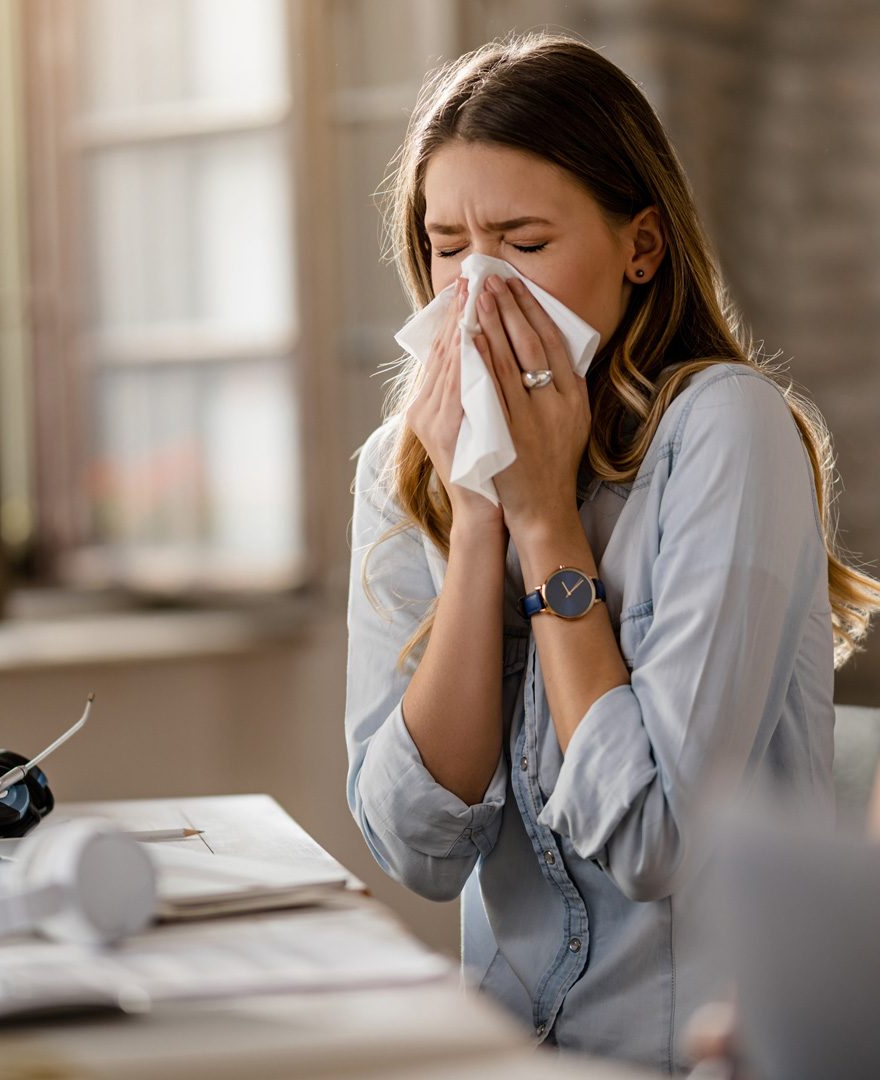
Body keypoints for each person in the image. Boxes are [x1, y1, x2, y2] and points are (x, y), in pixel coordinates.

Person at [344, 32, 880, 1073]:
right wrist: (479, 515)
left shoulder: (725, 432)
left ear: (642, 246)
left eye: (525, 243)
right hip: (511, 1055)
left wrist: (545, 517)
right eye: (448, 247)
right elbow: (416, 848)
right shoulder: (405, 465)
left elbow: (653, 840)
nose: (479, 289)